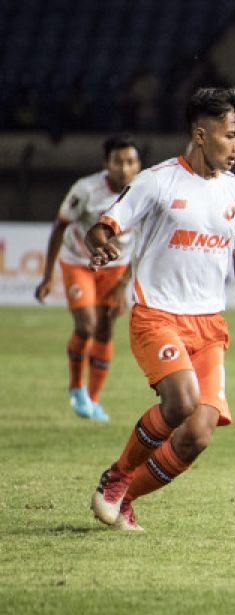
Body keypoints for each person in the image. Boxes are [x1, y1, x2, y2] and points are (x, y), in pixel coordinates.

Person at [85, 87, 235, 532]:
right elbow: (102, 227)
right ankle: (117, 476)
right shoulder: (158, 181)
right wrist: (103, 245)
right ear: (200, 135)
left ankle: (125, 498)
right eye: (231, 135)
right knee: (182, 401)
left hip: (209, 325)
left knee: (198, 434)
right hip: (157, 316)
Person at [34, 135, 142, 421]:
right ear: (106, 164)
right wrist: (47, 277)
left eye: (130, 161)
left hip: (116, 268)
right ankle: (76, 388)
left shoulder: (144, 191)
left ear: (138, 164)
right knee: (87, 326)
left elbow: (144, 242)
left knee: (105, 330)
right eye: (118, 161)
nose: (124, 168)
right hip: (79, 262)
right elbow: (60, 227)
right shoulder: (85, 190)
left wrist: (124, 284)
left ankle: (93, 401)